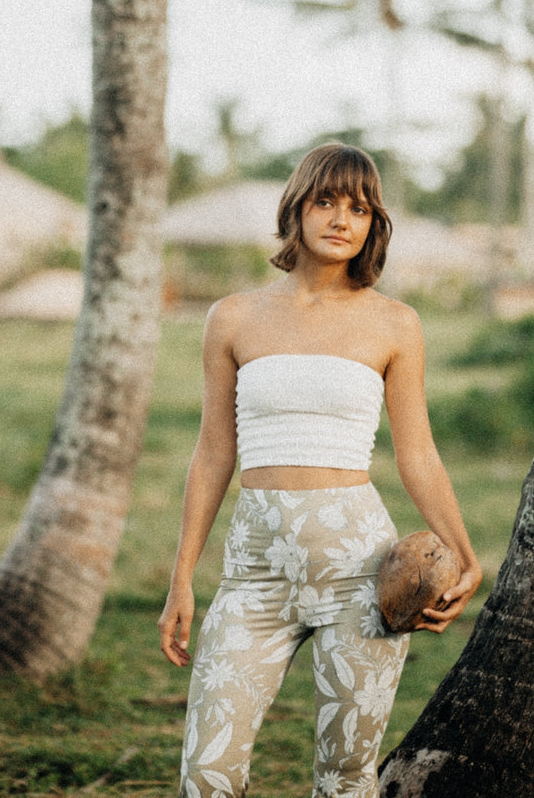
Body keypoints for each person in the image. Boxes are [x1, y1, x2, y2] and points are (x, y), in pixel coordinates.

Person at [158, 143, 481, 798]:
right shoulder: (234, 316)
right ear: (296, 208)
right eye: (327, 201)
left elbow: (416, 451)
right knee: (207, 773)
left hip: (359, 574)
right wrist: (183, 577)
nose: (342, 218)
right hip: (253, 575)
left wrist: (466, 554)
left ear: (374, 225)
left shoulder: (395, 323)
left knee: (345, 777)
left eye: (360, 207)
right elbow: (214, 451)